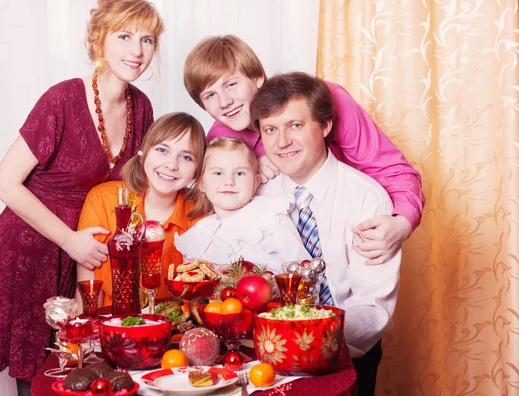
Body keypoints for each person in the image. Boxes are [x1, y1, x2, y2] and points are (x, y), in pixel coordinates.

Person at [0, 0, 163, 392]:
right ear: (99, 39)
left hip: (87, 261)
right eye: (124, 36)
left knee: (80, 374)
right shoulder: (63, 98)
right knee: (33, 381)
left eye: (147, 39)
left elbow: (144, 183)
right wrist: (69, 240)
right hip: (27, 252)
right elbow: (4, 182)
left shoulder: (143, 107)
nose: (137, 51)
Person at [183, 35, 424, 266]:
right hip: (276, 258)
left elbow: (390, 168)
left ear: (257, 78)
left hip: (344, 233)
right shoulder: (220, 140)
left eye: (231, 85)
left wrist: (401, 223)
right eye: (211, 95)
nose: (224, 101)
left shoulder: (319, 101)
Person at [251, 72, 401, 395]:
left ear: (326, 126)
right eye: (271, 129)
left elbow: (374, 307)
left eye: (295, 125)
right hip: (271, 362)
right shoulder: (258, 197)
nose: (281, 142)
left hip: (349, 355)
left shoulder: (366, 198)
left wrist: (313, 338)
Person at [77, 112, 207, 302]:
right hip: (107, 325)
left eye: (186, 157)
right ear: (144, 152)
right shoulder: (103, 200)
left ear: (198, 170)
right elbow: (88, 295)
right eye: (162, 150)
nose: (171, 165)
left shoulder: (202, 219)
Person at [174, 137, 310, 272]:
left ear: (256, 182)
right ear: (201, 183)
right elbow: (191, 286)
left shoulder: (271, 217)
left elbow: (303, 269)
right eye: (218, 173)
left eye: (239, 173)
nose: (229, 181)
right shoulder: (197, 236)